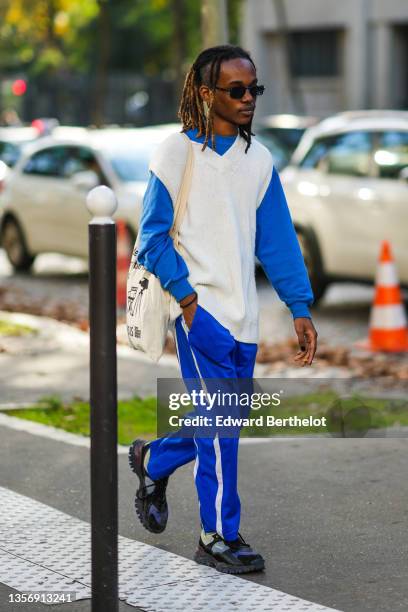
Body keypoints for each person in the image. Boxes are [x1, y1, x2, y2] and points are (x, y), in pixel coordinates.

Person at [129, 44, 317, 574]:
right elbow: (152, 238)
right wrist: (187, 302)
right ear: (205, 93)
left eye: (253, 88)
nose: (248, 98)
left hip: (245, 317)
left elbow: (277, 241)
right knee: (221, 427)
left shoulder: (258, 161)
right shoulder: (176, 154)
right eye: (236, 89)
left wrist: (299, 306)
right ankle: (218, 535)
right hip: (200, 314)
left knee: (225, 420)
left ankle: (154, 460)